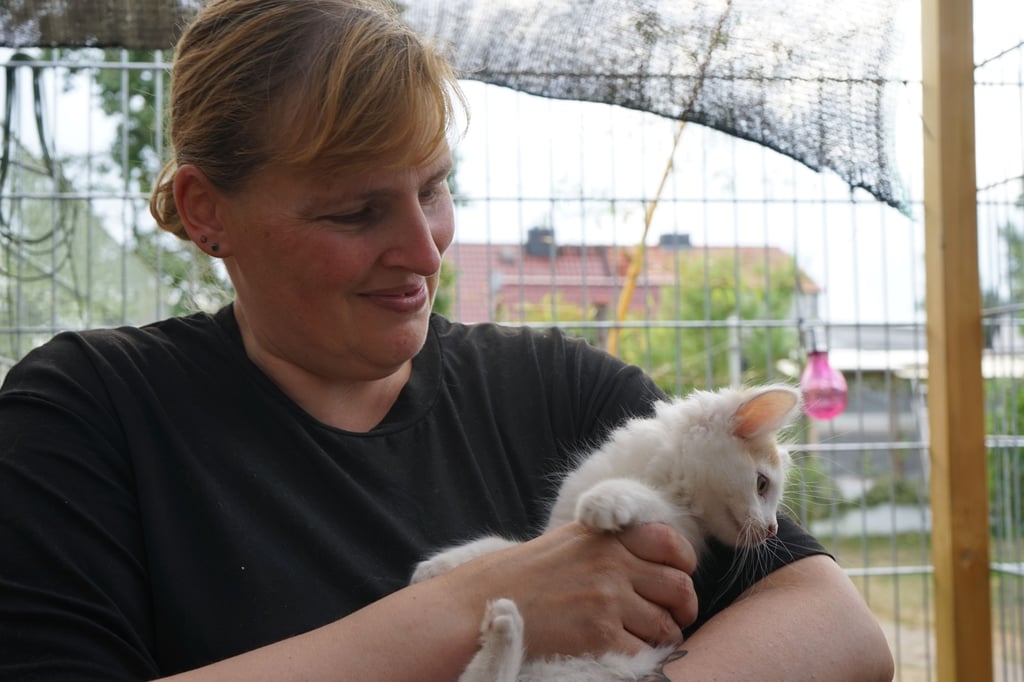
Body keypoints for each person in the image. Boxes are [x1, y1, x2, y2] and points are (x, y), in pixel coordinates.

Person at [0, 0, 894, 680]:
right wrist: (479, 606)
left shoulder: (560, 392)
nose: (425, 249)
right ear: (206, 212)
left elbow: (837, 627)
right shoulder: (88, 412)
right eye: (355, 209)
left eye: (434, 188)